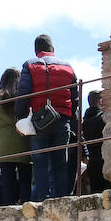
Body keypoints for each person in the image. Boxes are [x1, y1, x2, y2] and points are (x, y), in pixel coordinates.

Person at [15, 34, 78, 201]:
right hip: (62, 119)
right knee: (60, 163)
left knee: (40, 163)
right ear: (53, 49)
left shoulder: (29, 65)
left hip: (39, 120)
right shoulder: (68, 67)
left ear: (36, 51)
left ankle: (42, 199)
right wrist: (70, 118)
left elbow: (23, 93)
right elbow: (75, 97)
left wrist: (20, 119)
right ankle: (62, 198)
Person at [0, 68, 32, 205]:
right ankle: (26, 207)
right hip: (24, 141)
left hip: (3, 144)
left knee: (7, 182)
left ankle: (8, 208)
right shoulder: (24, 95)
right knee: (25, 180)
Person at [82, 90, 111, 193]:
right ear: (101, 101)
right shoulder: (103, 118)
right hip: (104, 159)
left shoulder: (84, 120)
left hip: (91, 161)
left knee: (95, 193)